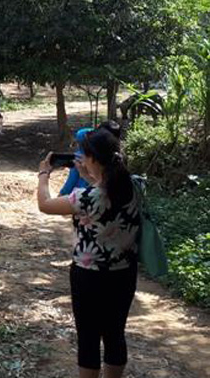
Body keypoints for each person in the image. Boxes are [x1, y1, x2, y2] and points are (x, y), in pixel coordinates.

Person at [37, 129, 140, 378]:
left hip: (89, 277)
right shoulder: (135, 186)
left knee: (89, 337)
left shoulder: (86, 198)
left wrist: (43, 174)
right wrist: (87, 174)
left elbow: (45, 205)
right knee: (115, 333)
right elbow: (108, 191)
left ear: (93, 158)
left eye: (85, 155)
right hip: (124, 273)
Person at [59, 128, 93, 196]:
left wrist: (60, 195)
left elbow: (71, 182)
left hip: (80, 195)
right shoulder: (99, 156)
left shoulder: (78, 158)